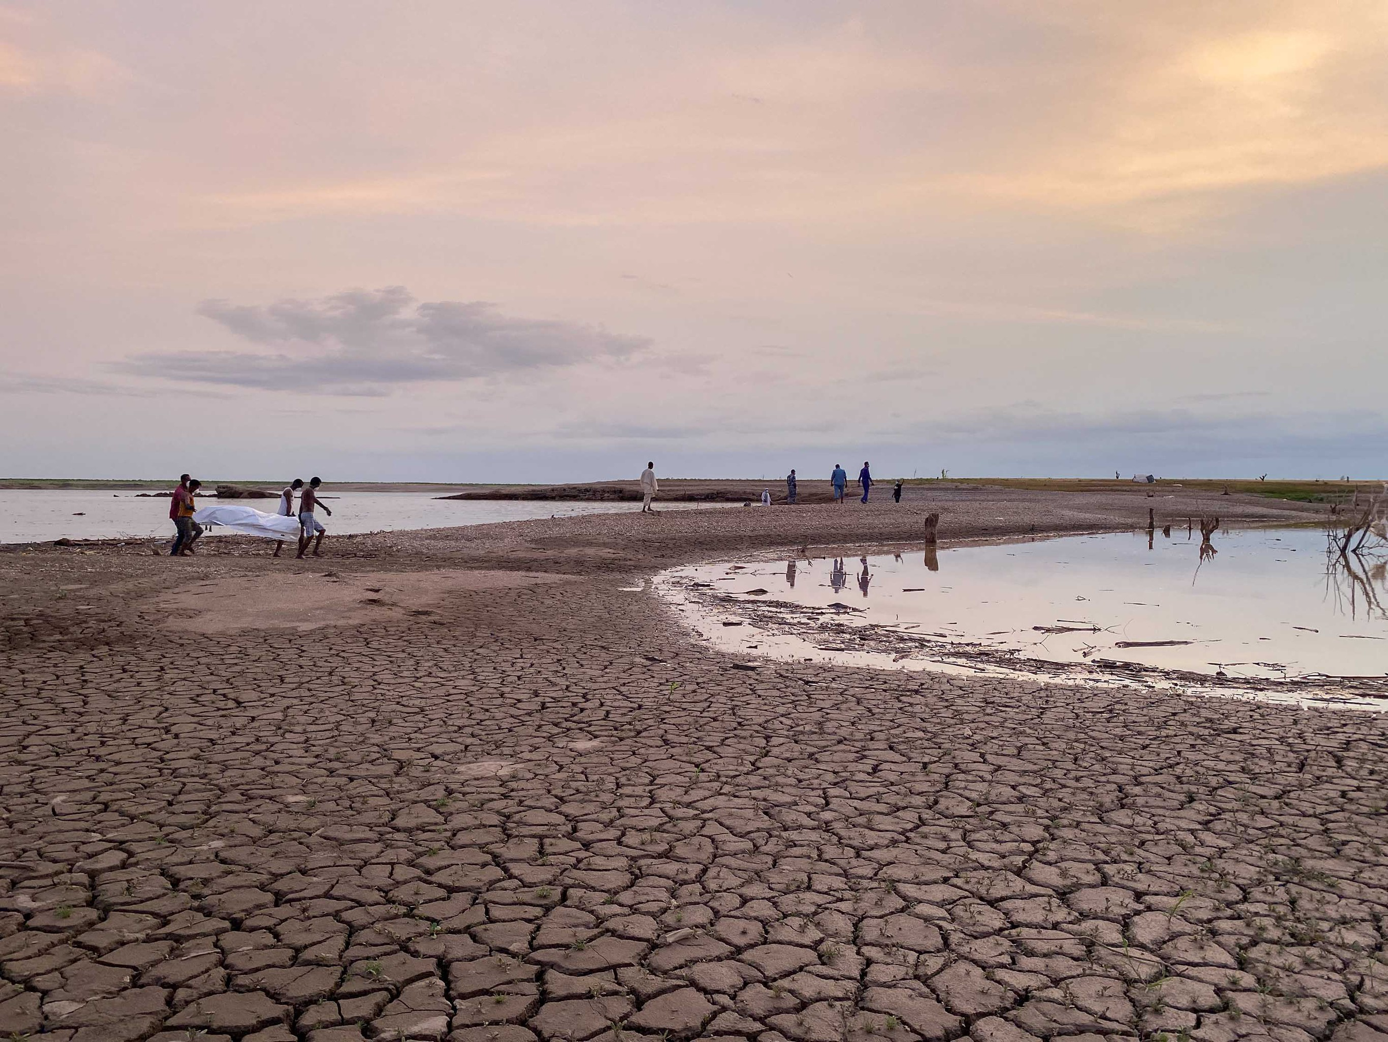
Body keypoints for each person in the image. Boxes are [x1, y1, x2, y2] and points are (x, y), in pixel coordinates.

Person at [296, 476, 332, 558]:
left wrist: (300, 516)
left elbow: (301, 505)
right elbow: (315, 500)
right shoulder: (309, 491)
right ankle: (300, 554)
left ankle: (315, 551)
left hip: (305, 514)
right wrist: (325, 508)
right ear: (317, 484)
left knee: (322, 530)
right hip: (308, 514)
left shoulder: (305, 491)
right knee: (310, 536)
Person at [170, 478, 203, 556]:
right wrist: (189, 506)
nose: (196, 489)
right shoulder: (186, 494)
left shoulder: (190, 494)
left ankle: (188, 545)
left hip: (188, 517)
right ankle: (181, 551)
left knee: (199, 530)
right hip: (183, 518)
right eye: (196, 487)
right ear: (191, 486)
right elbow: (187, 502)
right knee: (188, 535)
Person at [274, 479, 303, 558]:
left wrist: (291, 513)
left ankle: (276, 552)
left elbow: (290, 505)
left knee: (283, 534)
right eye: (299, 487)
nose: (298, 489)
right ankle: (300, 553)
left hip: (287, 514)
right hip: (284, 515)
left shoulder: (290, 491)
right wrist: (288, 514)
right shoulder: (288, 491)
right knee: (300, 531)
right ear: (295, 484)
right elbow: (288, 504)